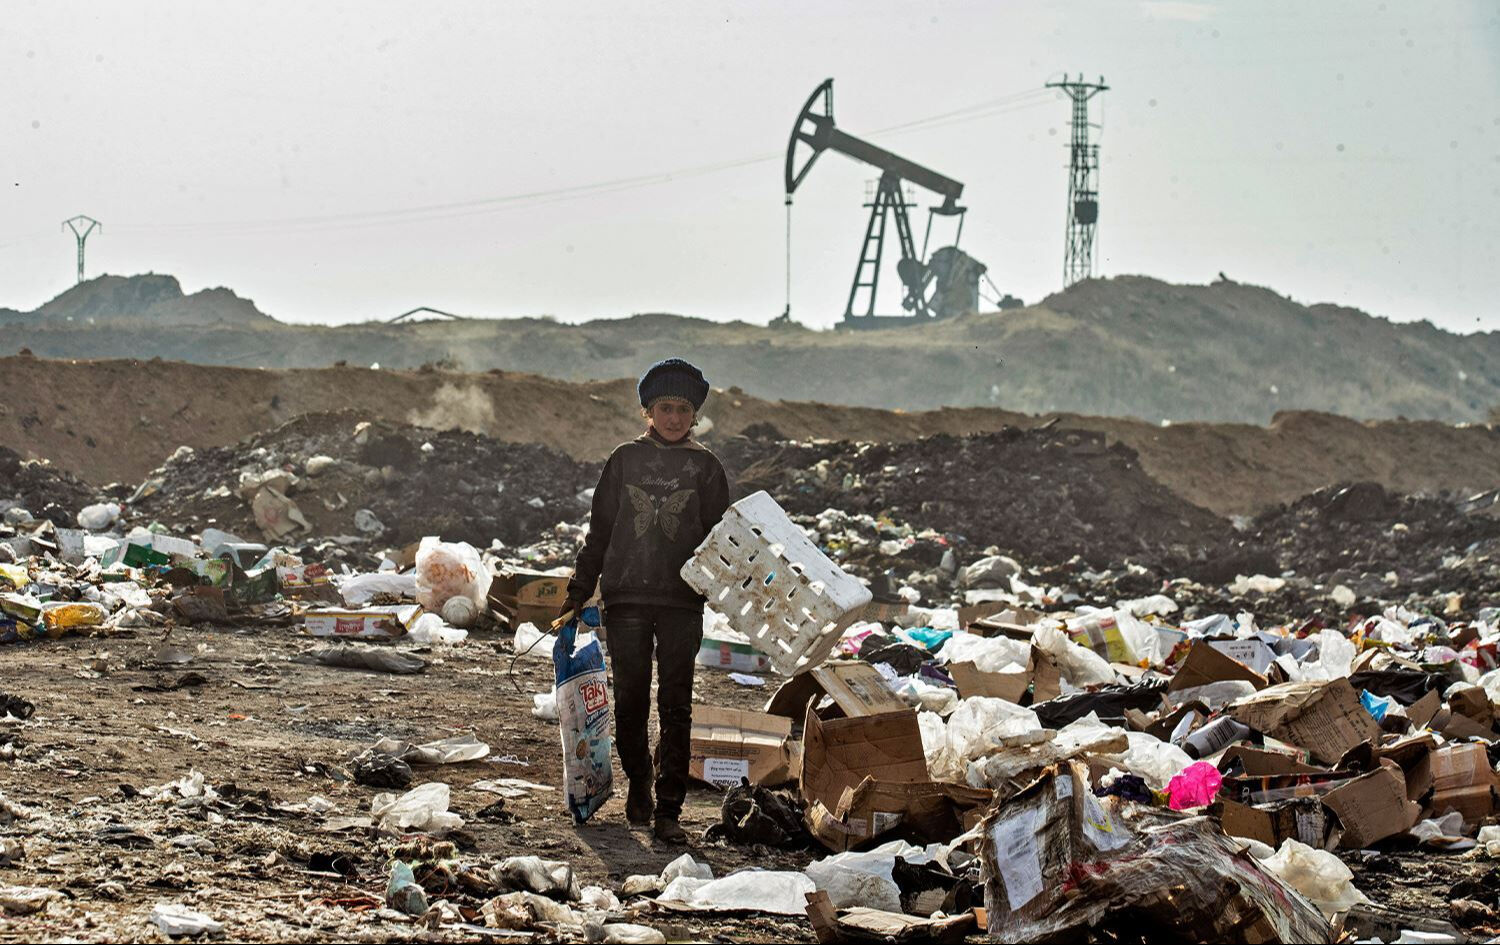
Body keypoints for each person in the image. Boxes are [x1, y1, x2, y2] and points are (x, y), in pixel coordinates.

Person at [561, 357, 730, 844]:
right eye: (664, 408)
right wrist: (578, 592)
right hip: (627, 598)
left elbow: (725, 542)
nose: (674, 417)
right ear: (647, 411)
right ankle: (640, 782)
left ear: (694, 414)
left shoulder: (706, 468)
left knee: (676, 704)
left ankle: (669, 810)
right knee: (631, 701)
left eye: (682, 409)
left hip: (682, 602)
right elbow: (599, 533)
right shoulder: (623, 461)